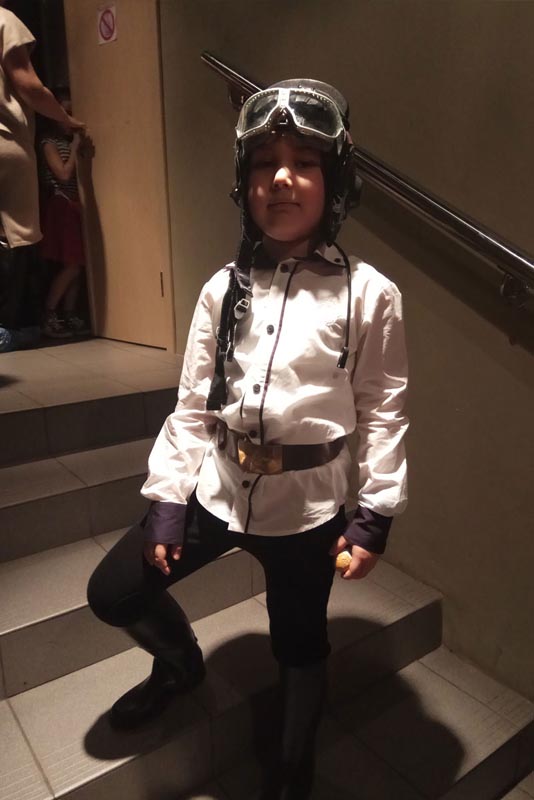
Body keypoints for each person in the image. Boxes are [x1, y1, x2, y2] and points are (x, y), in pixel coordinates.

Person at [87, 79, 408, 799]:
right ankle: (180, 665)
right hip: (218, 490)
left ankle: (292, 764)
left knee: (300, 640)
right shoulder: (220, 289)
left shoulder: (371, 295)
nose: (281, 178)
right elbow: (193, 406)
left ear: (336, 181)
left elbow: (385, 411)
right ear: (245, 183)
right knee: (114, 591)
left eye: (303, 162)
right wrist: (167, 499)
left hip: (308, 509)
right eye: (264, 164)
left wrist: (375, 514)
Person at [0, 5, 84, 349]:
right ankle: (8, 327)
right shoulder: (3, 20)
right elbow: (27, 84)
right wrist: (67, 119)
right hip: (4, 140)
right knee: (10, 237)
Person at [39, 88, 89, 338]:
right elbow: (63, 174)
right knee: (72, 265)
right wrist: (77, 146)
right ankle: (49, 315)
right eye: (65, 113)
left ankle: (68, 315)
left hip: (75, 206)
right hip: (62, 205)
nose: (70, 118)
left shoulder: (70, 140)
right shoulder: (50, 142)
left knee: (78, 265)